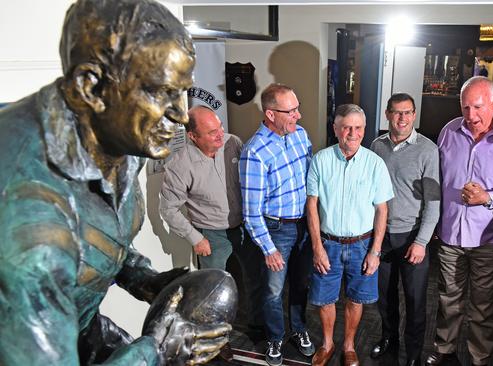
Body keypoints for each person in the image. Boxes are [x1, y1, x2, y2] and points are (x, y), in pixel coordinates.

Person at [0, 0, 230, 365]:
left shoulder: (123, 134)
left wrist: (142, 278)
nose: (181, 115)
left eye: (181, 91)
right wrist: (155, 350)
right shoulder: (30, 223)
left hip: (78, 327)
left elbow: (94, 237)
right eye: (162, 92)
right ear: (90, 87)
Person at [426, 76, 493, 366]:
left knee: (484, 306)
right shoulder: (449, 131)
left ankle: (479, 358)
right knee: (448, 298)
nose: (471, 116)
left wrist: (488, 197)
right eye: (465, 108)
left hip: (491, 239)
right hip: (450, 234)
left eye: (478, 107)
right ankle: (445, 350)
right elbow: (439, 180)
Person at [158, 105, 248, 361]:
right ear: (193, 136)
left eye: (220, 127)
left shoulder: (234, 144)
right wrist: (195, 238)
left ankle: (255, 324)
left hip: (243, 229)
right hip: (211, 236)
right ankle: (220, 342)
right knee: (213, 295)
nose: (220, 134)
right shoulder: (179, 165)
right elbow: (169, 209)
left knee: (251, 281)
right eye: (211, 132)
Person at [308, 104, 394, 366]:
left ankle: (348, 345)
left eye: (358, 128)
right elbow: (311, 205)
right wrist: (317, 247)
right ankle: (327, 344)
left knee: (356, 299)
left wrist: (375, 251)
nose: (352, 133)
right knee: (325, 299)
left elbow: (382, 209)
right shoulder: (320, 160)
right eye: (346, 127)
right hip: (328, 244)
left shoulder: (375, 164)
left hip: (362, 245)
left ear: (364, 130)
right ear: (335, 129)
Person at [239, 83, 315, 366]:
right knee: (273, 291)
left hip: (305, 227)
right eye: (291, 110)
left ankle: (299, 329)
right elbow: (251, 212)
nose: (299, 115)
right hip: (277, 231)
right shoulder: (254, 152)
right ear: (271, 114)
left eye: (297, 108)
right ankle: (275, 337)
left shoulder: (300, 136)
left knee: (300, 283)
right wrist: (269, 249)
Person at [370, 93, 441, 366]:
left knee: (414, 301)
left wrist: (422, 241)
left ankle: (413, 353)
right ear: (388, 114)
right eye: (397, 112)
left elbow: (433, 202)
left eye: (408, 112)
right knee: (385, 298)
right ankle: (389, 340)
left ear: (414, 115)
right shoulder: (377, 146)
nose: (402, 118)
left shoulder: (428, 150)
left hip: (412, 237)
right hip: (382, 237)